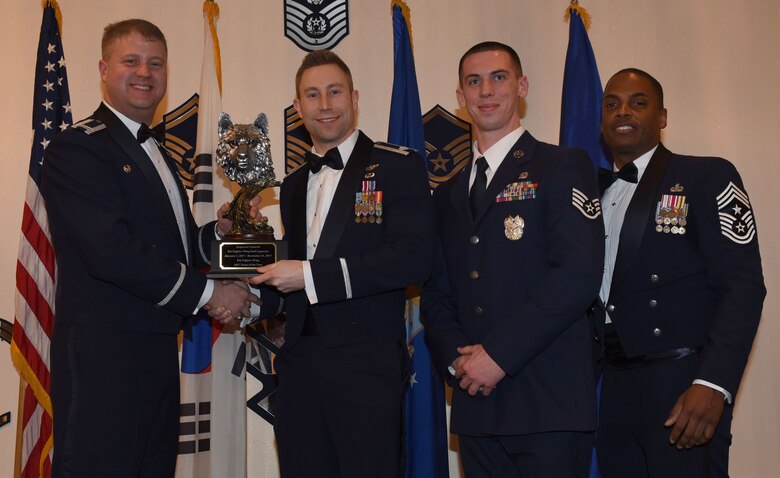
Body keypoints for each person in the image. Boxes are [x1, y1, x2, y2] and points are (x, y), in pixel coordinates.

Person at [40, 19, 253, 478]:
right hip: (103, 353)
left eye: (156, 63)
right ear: (103, 69)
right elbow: (112, 250)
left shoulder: (157, 152)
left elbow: (173, 248)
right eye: (131, 61)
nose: (145, 73)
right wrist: (211, 294)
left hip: (155, 348)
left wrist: (219, 232)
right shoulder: (76, 148)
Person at [245, 49, 434, 477]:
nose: (325, 104)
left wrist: (309, 274)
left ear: (354, 97)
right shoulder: (293, 185)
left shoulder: (398, 166)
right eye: (313, 95)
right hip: (298, 366)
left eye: (335, 92)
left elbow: (413, 259)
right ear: (298, 107)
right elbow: (294, 281)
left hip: (367, 365)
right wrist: (246, 297)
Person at [420, 41, 605, 477]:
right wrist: (458, 362)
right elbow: (437, 292)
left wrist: (498, 356)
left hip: (548, 402)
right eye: (474, 81)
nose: (486, 90)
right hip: (477, 404)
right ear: (460, 97)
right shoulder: (447, 193)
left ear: (521, 86)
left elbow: (577, 274)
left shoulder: (561, 165)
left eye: (498, 77)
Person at [595, 68, 765, 477]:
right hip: (611, 387)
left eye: (638, 103)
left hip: (682, 385)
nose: (623, 112)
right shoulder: (588, 193)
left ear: (663, 116)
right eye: (612, 104)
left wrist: (713, 384)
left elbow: (741, 287)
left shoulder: (706, 177)